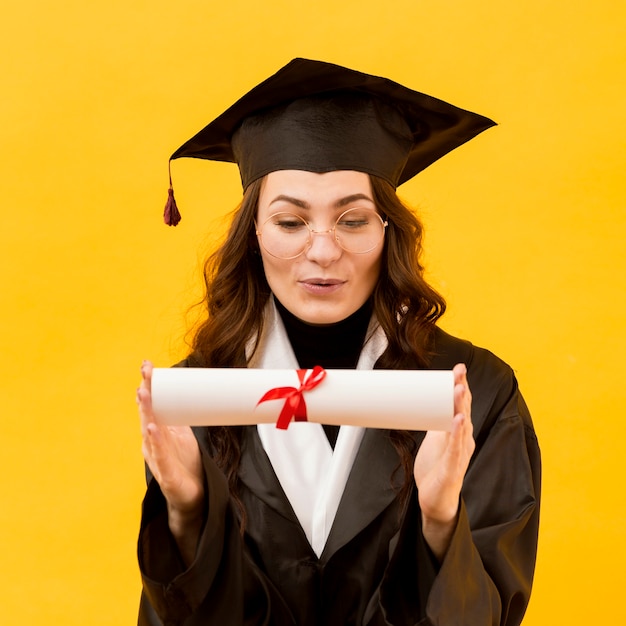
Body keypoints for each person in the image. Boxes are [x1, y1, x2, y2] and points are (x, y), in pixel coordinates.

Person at [136, 58, 541, 626]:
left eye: (352, 220)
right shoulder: (200, 397)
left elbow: (491, 617)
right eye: (290, 222)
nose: (323, 252)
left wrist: (440, 519)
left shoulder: (473, 394)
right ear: (253, 233)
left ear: (387, 230)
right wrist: (185, 513)